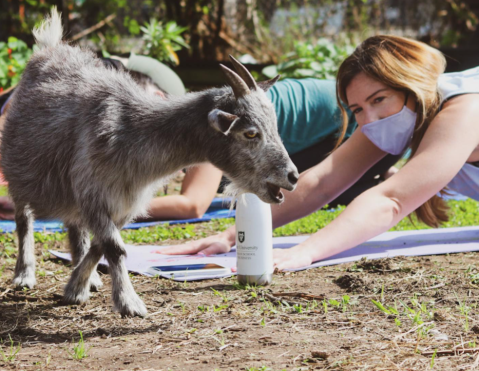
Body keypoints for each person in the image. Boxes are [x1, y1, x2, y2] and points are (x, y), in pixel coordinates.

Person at [161, 35, 479, 271]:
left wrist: (307, 251)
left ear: (410, 87)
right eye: (357, 109)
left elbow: (392, 200)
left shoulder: (464, 109)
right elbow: (321, 182)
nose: (369, 120)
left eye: (379, 99)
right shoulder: (391, 119)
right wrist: (236, 235)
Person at [0, 54, 400, 221]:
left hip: (352, 125)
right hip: (332, 120)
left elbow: (193, 205)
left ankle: (385, 177)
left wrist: (104, 204)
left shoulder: (203, 124)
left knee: (320, 189)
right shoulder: (189, 115)